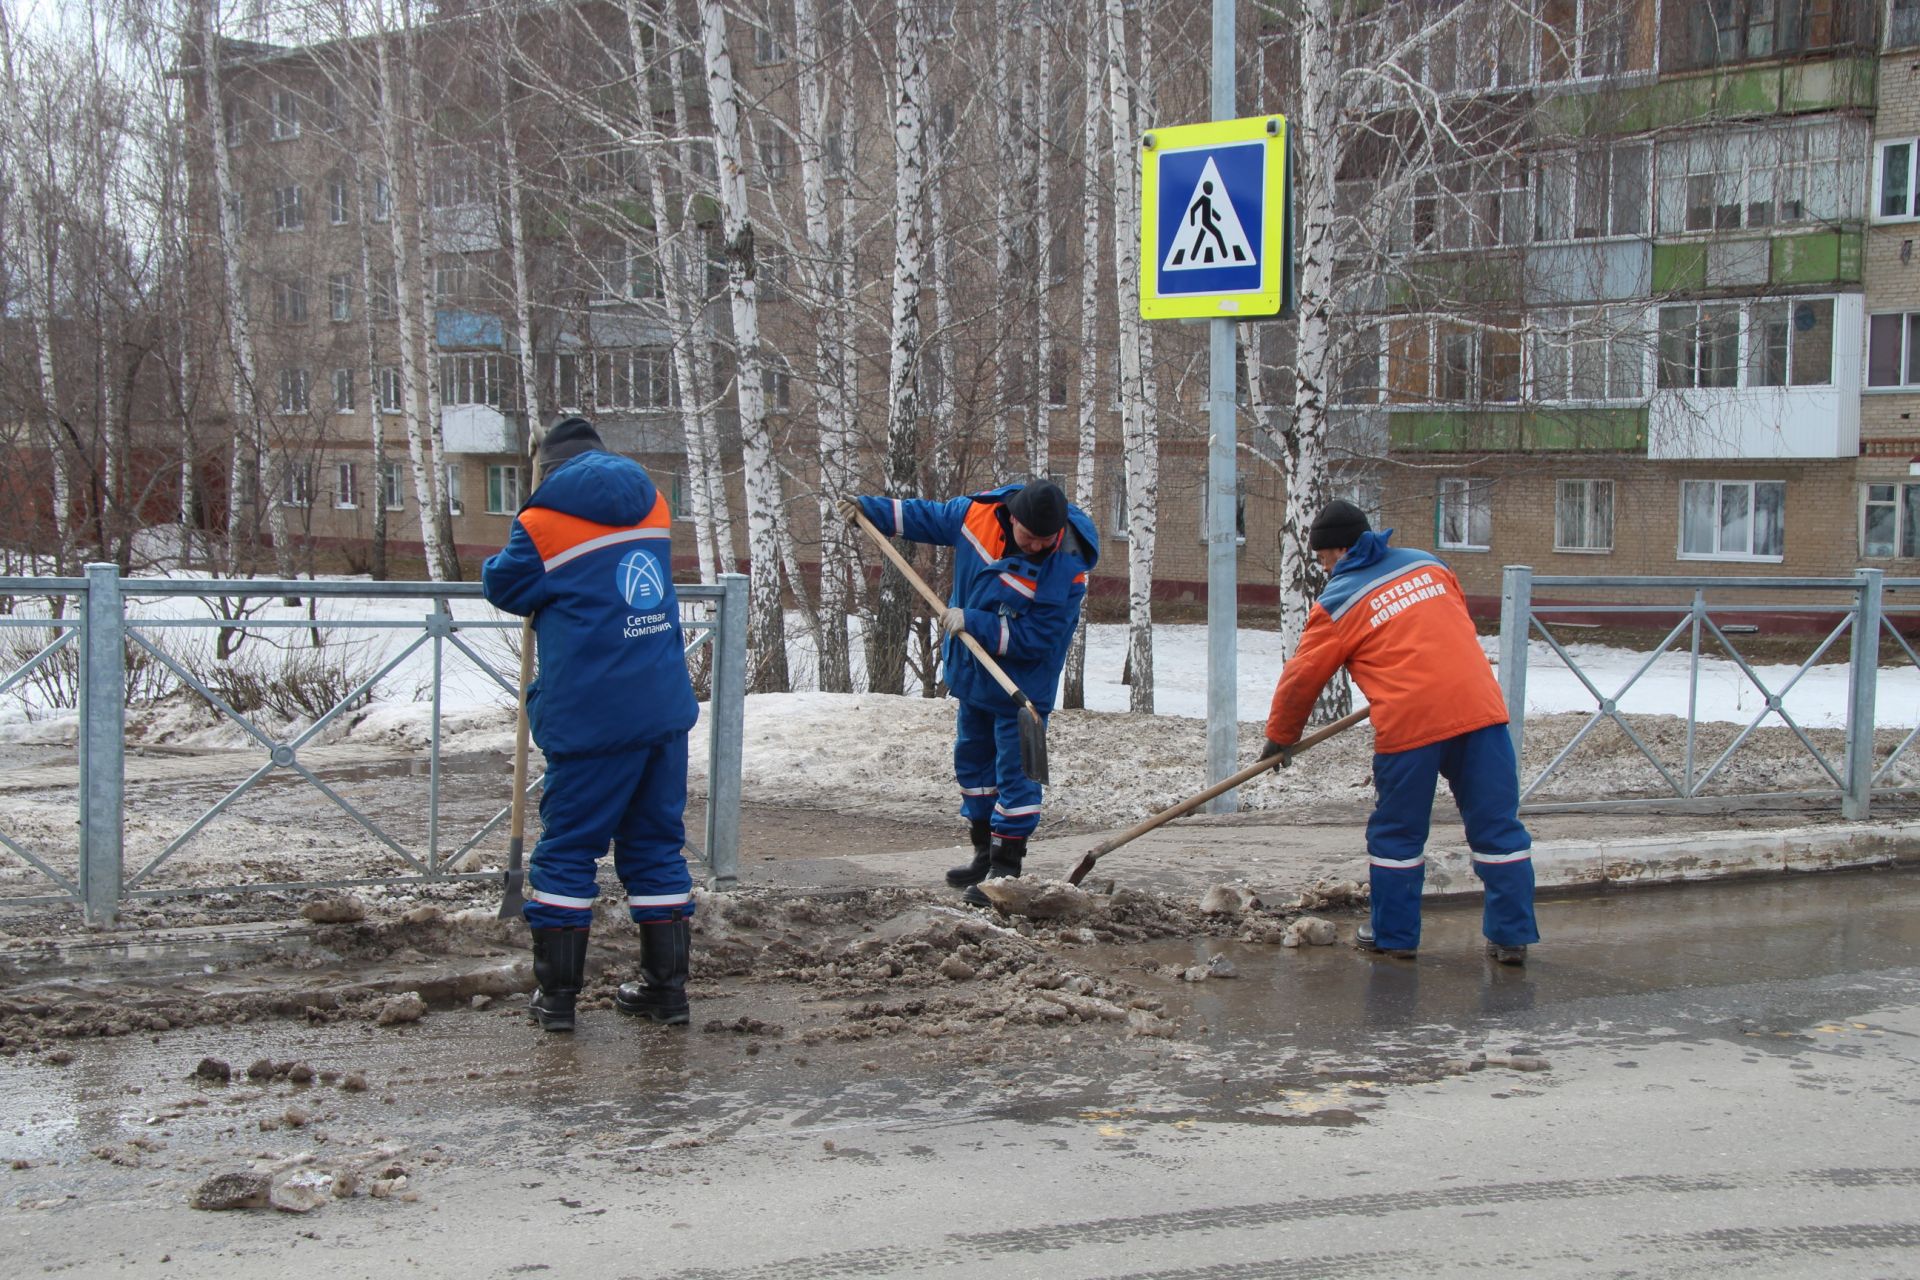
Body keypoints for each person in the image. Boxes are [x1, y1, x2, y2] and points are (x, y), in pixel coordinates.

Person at [482, 416, 700, 1031]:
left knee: (570, 850)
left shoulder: (541, 521)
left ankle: (557, 1001)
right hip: (661, 707)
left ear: (548, 469)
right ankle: (668, 993)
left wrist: (520, 525)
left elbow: (504, 585)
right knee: (655, 846)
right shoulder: (653, 501)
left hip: (593, 716)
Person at [1261, 499, 1538, 965]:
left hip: (1411, 725)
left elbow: (1302, 676)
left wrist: (1280, 736)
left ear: (1341, 550)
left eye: (1325, 557)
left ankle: (1394, 936)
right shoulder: (1430, 565)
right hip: (1480, 709)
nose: (1324, 566)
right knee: (1498, 827)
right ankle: (1511, 937)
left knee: (1398, 834)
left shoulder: (1338, 601)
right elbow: (1451, 624)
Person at [841, 479, 1098, 906]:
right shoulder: (977, 516)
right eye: (1029, 537)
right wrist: (869, 510)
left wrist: (973, 622)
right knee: (974, 769)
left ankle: (1006, 869)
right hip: (973, 674)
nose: (1036, 546)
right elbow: (927, 516)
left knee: (1016, 777)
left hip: (1021, 688)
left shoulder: (1066, 566)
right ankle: (983, 855)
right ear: (1012, 518)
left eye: (1045, 539)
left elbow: (1038, 636)